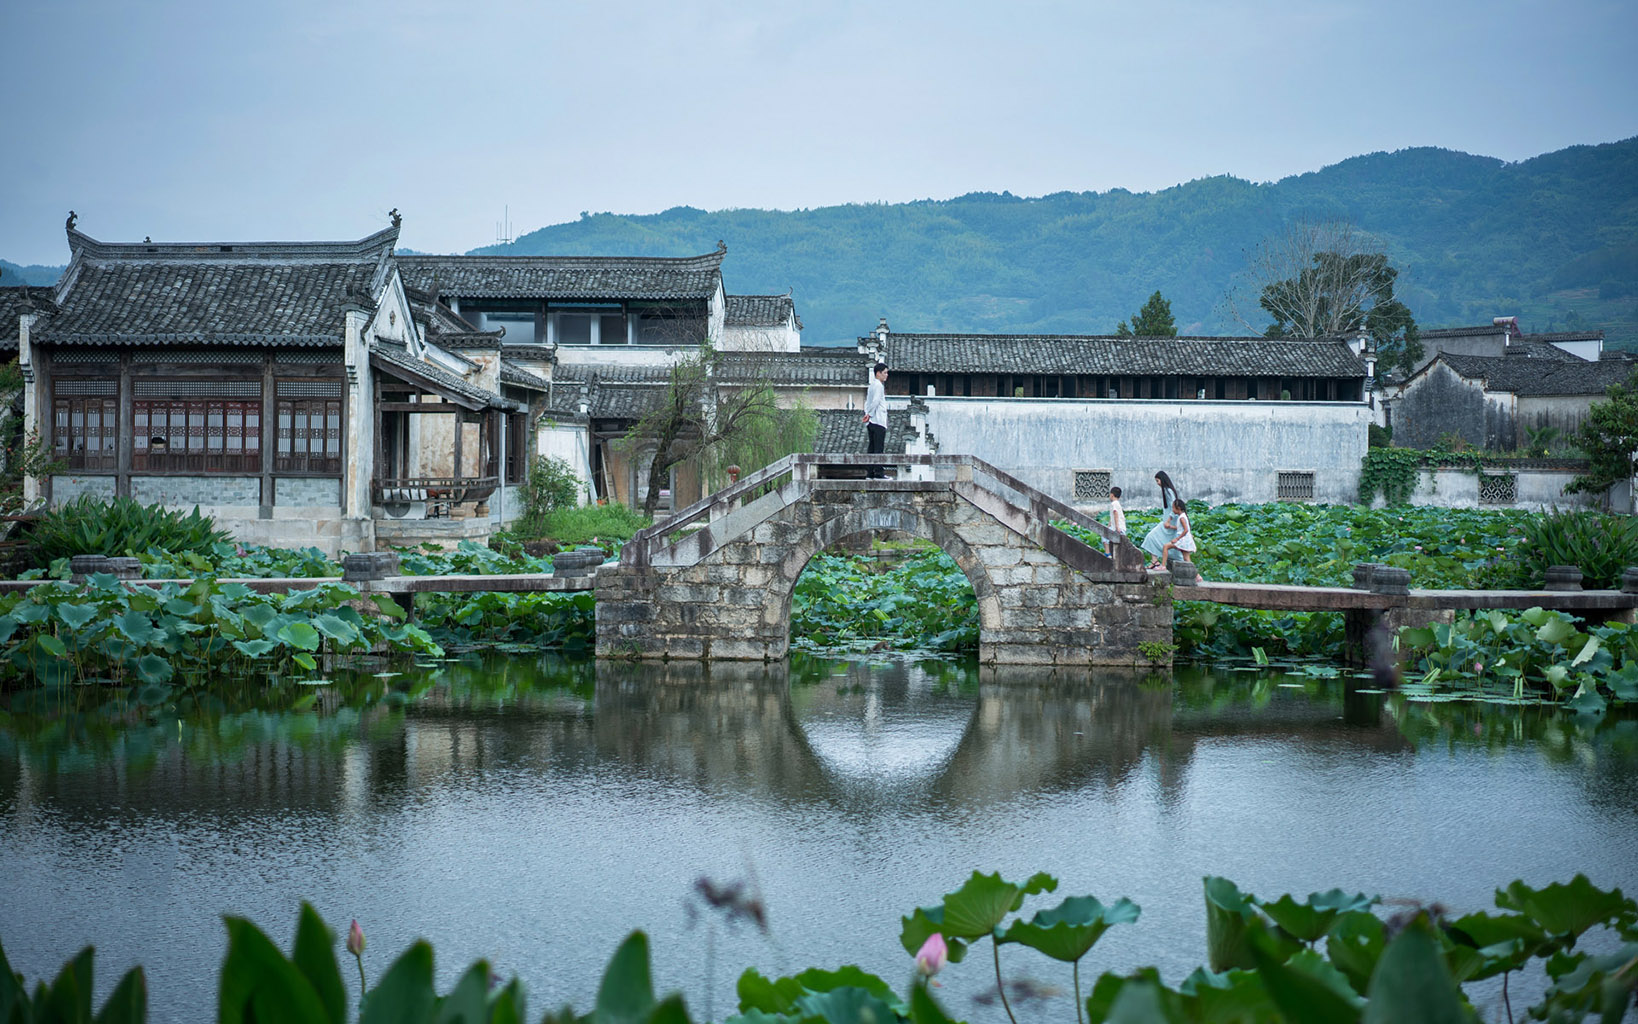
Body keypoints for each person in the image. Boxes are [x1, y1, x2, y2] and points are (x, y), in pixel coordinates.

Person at [1141, 471, 1181, 568]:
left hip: (1169, 523)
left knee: (1151, 537)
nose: (1157, 483)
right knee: (1153, 538)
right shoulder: (1168, 490)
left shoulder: (1169, 491)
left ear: (1162, 480)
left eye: (1158, 481)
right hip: (1167, 523)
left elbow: (1174, 507)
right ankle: (1155, 561)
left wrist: (1168, 520)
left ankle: (1156, 562)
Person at [863, 362, 889, 478]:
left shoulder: (872, 385)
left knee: (872, 447)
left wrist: (867, 414)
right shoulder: (878, 385)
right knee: (878, 448)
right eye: (885, 373)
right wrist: (870, 414)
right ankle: (879, 473)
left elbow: (867, 402)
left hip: (871, 422)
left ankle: (870, 472)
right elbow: (876, 401)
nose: (886, 375)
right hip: (878, 420)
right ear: (878, 373)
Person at [1159, 498, 1197, 565]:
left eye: (1173, 508)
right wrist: (1170, 526)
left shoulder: (1181, 518)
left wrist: (1177, 539)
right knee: (1186, 559)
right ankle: (1196, 575)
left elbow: (1186, 530)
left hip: (1183, 540)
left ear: (1178, 508)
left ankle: (1163, 566)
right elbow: (1180, 528)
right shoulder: (1183, 516)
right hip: (1185, 540)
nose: (1172, 510)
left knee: (1166, 546)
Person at [1106, 486, 1126, 554]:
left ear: (1111, 495)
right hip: (1118, 527)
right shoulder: (1117, 503)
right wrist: (1109, 524)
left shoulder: (1114, 504)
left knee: (1119, 544)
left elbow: (1115, 513)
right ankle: (1110, 553)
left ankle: (1108, 553)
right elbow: (1112, 516)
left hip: (1118, 528)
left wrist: (1117, 527)